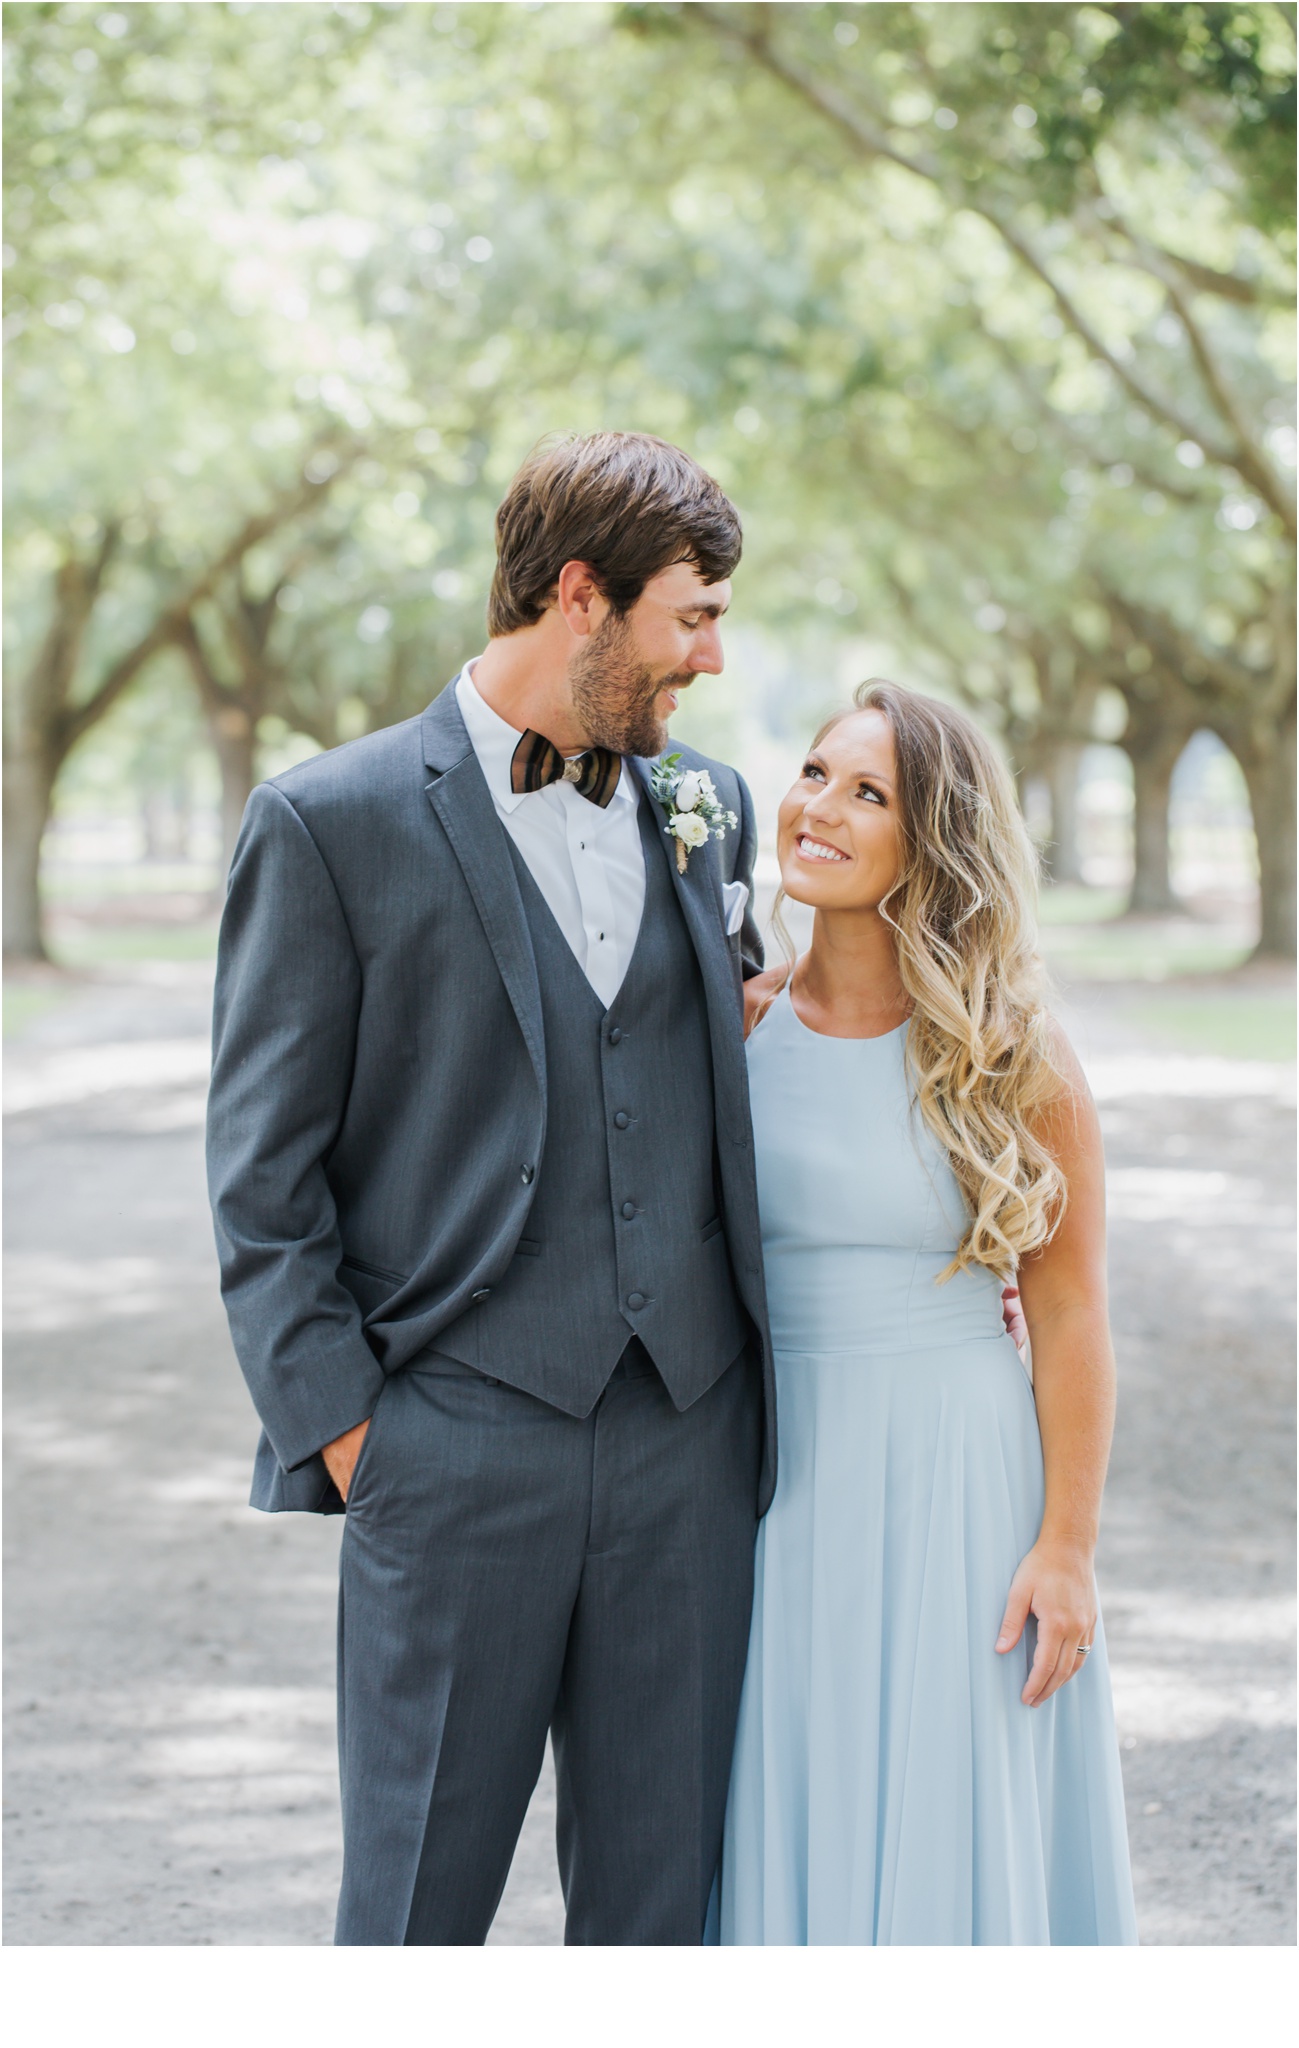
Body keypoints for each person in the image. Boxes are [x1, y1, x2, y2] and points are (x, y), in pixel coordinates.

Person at [206, 432, 776, 1945]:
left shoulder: (704, 802)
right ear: (580, 597)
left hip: (684, 1445)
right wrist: (353, 1439)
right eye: (690, 615)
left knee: (660, 1919)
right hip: (448, 1455)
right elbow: (262, 1185)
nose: (711, 656)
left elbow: (742, 1078)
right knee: (412, 1919)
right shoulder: (332, 822)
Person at [709, 680, 1138, 1946]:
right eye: (814, 773)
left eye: (868, 791)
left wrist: (1066, 1547)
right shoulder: (735, 1028)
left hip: (960, 1484)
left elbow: (1070, 1315)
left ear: (934, 837)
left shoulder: (1016, 1053)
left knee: (952, 1813)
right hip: (776, 1486)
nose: (818, 807)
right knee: (794, 1791)